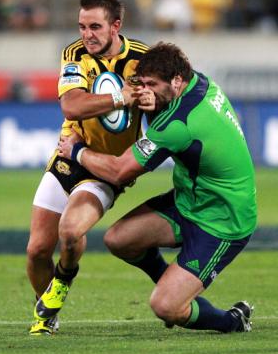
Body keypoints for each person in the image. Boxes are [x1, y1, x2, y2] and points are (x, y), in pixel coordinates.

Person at [58, 42, 257, 333]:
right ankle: (174, 282)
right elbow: (162, 108)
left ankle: (232, 321)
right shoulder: (196, 81)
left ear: (176, 81)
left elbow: (119, 171)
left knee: (166, 306)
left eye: (152, 84)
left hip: (222, 220)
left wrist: (76, 152)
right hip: (190, 201)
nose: (145, 91)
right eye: (143, 83)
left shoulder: (179, 124)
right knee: (119, 240)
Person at [27, 0, 150, 335]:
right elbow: (72, 107)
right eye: (82, 26)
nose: (86, 35)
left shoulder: (142, 59)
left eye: (94, 27)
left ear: (116, 26)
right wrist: (119, 96)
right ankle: (48, 312)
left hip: (107, 167)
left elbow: (161, 102)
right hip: (69, 152)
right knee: (37, 250)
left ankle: (62, 282)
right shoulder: (74, 53)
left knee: (71, 231)